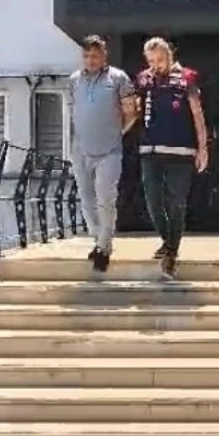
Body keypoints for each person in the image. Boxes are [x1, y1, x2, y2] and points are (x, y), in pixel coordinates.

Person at [135, 37, 208, 281]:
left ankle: (171, 252)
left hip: (181, 151)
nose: (156, 65)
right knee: (153, 201)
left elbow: (197, 114)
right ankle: (168, 242)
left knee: (176, 203)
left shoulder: (187, 78)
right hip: (150, 150)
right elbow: (134, 109)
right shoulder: (144, 79)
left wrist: (203, 148)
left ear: (169, 56)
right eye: (151, 61)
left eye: (160, 60)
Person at [68, 35, 137, 276]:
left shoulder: (118, 78)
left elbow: (131, 112)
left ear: (104, 56)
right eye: (87, 56)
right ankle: (98, 240)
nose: (91, 60)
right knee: (86, 200)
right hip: (81, 149)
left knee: (105, 199)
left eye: (95, 55)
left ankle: (104, 247)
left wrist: (117, 134)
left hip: (109, 150)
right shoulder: (74, 80)